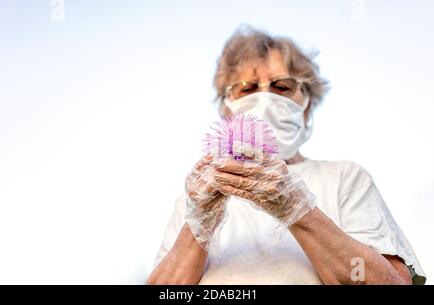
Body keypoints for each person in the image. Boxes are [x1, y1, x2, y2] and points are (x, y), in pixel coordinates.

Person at [147, 27, 426, 285]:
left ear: (306, 107)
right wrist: (199, 223)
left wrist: (299, 209)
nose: (265, 98)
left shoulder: (345, 177)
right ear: (226, 109)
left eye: (282, 87)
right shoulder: (195, 197)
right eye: (247, 87)